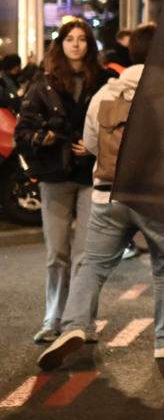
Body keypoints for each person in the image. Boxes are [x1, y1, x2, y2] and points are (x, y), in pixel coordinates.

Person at [36, 25, 164, 369]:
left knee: (92, 265)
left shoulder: (106, 93)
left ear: (131, 53)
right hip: (155, 196)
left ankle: (75, 325)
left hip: (107, 194)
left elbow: (92, 143)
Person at [20, 18, 105, 343]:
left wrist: (94, 145)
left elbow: (120, 125)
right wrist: (47, 137)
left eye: (82, 39)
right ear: (60, 43)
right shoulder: (44, 84)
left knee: (86, 255)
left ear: (89, 44)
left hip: (90, 176)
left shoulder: (103, 80)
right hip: (55, 176)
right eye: (70, 38)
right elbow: (23, 132)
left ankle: (82, 322)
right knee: (57, 253)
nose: (76, 44)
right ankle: (52, 318)